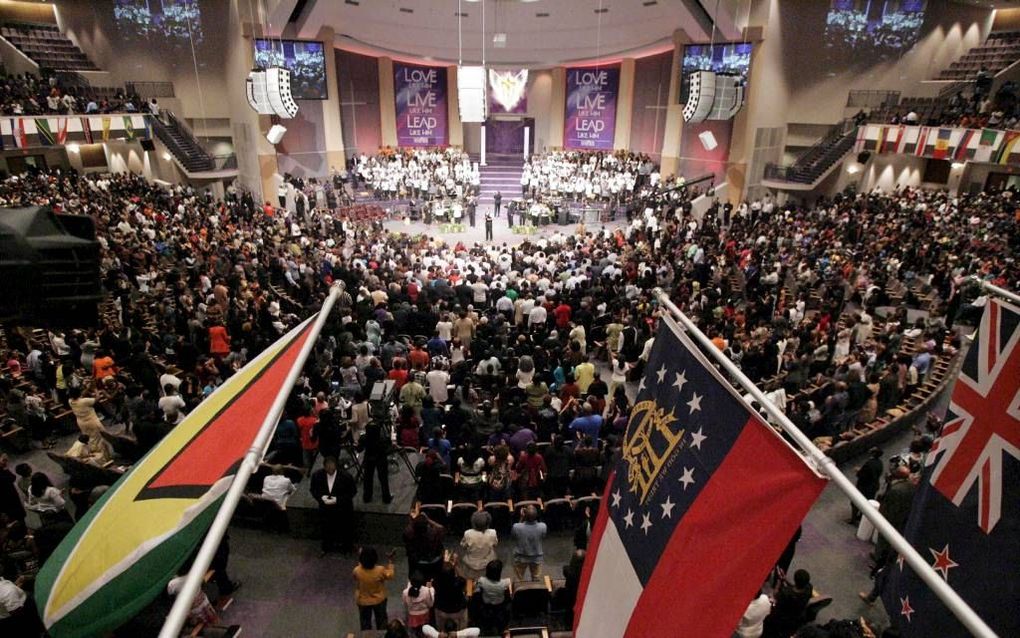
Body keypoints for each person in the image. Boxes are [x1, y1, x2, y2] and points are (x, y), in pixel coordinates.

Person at [310, 456, 356, 553]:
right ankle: (327, 547)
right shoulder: (317, 475)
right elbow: (313, 490)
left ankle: (346, 548)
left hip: (342, 509)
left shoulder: (346, 477)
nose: (330, 471)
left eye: (332, 468)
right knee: (326, 528)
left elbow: (352, 492)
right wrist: (321, 498)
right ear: (324, 467)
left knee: (344, 528)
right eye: (328, 468)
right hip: (325, 509)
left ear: (336, 466)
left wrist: (337, 500)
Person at [354, 547, 396, 630]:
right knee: (381, 621)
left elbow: (356, 577)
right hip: (379, 600)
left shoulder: (357, 570)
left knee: (365, 623)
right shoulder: (380, 570)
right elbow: (390, 575)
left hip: (363, 600)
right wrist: (390, 562)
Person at [763, 569, 814, 638]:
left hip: (781, 619)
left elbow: (775, 595)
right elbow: (794, 587)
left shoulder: (786, 594)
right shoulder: (808, 588)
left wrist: (779, 581)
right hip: (796, 618)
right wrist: (785, 579)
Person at [510, 504, 547, 580]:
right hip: (537, 557)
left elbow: (514, 536)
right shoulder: (543, 526)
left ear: (524, 515)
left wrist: (521, 517)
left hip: (520, 558)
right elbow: (543, 536)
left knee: (519, 579)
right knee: (536, 579)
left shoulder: (516, 526)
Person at [360, 420, 393, 504]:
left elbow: (359, 448)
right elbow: (389, 449)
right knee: (383, 479)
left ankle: (367, 497)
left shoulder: (364, 438)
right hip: (381, 458)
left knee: (368, 478)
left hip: (368, 458)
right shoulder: (382, 439)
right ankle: (386, 497)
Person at [459, 510, 498, 580]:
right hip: (487, 562)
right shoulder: (493, 533)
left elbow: (463, 546)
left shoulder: (468, 533)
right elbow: (495, 545)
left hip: (471, 563)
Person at [849, 447, 883, 524]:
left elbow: (863, 475)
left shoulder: (869, 463)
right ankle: (861, 517)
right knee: (867, 502)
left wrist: (858, 471)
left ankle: (853, 519)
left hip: (864, 486)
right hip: (874, 486)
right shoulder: (880, 463)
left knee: (856, 502)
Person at [475, 559, 511, 634]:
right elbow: (509, 590)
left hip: (485, 605)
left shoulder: (481, 581)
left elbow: (476, 587)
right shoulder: (505, 582)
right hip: (500, 605)